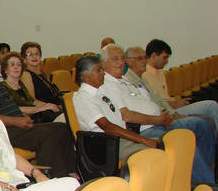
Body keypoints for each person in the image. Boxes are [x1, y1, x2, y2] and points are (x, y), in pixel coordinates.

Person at [99, 44, 215, 183]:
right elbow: (126, 116)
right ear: (103, 63)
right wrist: (158, 120)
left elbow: (152, 100)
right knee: (188, 136)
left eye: (122, 58)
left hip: (158, 121)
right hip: (144, 129)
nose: (120, 62)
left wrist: (164, 115)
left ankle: (199, 175)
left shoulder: (124, 80)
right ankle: (205, 183)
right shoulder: (107, 83)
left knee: (202, 126)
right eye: (115, 59)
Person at [0, 41, 76, 178]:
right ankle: (49, 178)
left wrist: (21, 116)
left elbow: (9, 104)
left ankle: (69, 173)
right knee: (48, 135)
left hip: (17, 122)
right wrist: (16, 121)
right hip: (1, 129)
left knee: (61, 128)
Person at [73, 55, 157, 161]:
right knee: (156, 153)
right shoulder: (84, 97)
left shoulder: (100, 92)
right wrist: (144, 140)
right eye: (99, 70)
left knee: (168, 144)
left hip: (121, 139)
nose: (103, 72)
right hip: (107, 145)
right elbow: (107, 127)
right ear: (85, 76)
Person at [142, 39, 218, 131]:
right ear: (154, 56)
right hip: (168, 111)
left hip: (173, 106)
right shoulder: (144, 75)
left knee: (210, 108)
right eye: (164, 57)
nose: (166, 61)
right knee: (211, 107)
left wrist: (177, 102)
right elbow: (155, 102)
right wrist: (175, 104)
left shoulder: (160, 72)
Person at [0, 52, 63, 123]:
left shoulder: (21, 84)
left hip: (34, 115)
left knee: (60, 113)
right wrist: (41, 108)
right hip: (22, 120)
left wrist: (49, 105)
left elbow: (33, 102)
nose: (16, 67)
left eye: (19, 65)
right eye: (12, 65)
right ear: (5, 69)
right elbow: (14, 109)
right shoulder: (2, 87)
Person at [20, 42, 63, 108]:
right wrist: (55, 107)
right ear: (24, 59)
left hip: (56, 107)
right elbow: (32, 101)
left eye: (37, 54)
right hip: (44, 111)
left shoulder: (41, 73)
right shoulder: (26, 75)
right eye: (30, 54)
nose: (34, 57)